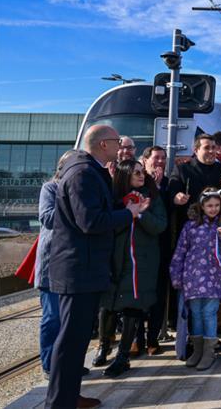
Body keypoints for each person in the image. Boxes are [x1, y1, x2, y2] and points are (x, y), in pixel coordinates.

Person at [46, 125, 148, 409]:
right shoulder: (83, 173)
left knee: (76, 341)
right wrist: (128, 213)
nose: (122, 147)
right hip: (78, 270)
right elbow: (90, 222)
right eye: (117, 142)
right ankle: (59, 403)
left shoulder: (92, 170)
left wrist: (125, 206)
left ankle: (68, 396)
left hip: (85, 268)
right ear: (104, 144)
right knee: (70, 341)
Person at [101, 160, 167, 378]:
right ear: (124, 175)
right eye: (136, 172)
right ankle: (104, 346)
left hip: (142, 261)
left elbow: (160, 225)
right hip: (117, 259)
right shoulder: (112, 197)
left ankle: (123, 356)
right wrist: (127, 213)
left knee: (133, 305)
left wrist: (140, 214)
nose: (141, 175)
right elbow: (106, 226)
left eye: (142, 172)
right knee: (108, 305)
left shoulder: (152, 196)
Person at [170, 188, 221, 371]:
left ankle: (209, 352)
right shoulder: (190, 226)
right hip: (193, 278)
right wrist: (176, 274)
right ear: (202, 206)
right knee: (196, 314)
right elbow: (181, 251)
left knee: (209, 313)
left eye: (217, 205)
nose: (213, 209)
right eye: (210, 205)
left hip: (215, 278)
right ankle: (198, 350)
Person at [36, 150, 78, 379]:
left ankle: (66, 362)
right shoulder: (50, 189)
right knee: (52, 317)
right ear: (62, 168)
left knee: (69, 319)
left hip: (71, 263)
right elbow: (48, 218)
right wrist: (76, 207)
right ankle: (49, 364)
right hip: (50, 263)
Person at [136, 145, 169, 356]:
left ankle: (153, 338)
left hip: (162, 245)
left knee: (158, 294)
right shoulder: (138, 181)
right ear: (145, 160)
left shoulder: (168, 183)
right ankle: (136, 339)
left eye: (163, 159)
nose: (160, 162)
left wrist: (160, 188)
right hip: (139, 247)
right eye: (156, 158)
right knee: (138, 295)